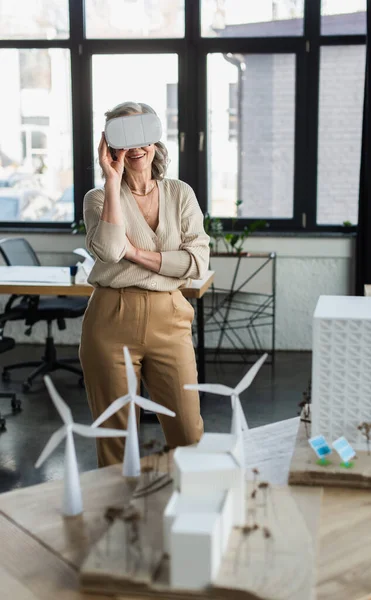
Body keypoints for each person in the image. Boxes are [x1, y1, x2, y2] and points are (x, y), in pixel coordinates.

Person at [79, 101, 210, 467]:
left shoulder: (179, 193)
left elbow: (197, 263)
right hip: (110, 319)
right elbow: (107, 251)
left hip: (169, 317)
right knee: (117, 441)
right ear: (109, 145)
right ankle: (119, 519)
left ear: (155, 141)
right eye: (123, 138)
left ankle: (190, 514)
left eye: (142, 136)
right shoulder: (100, 198)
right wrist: (111, 177)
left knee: (188, 431)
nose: (135, 147)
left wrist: (135, 254)